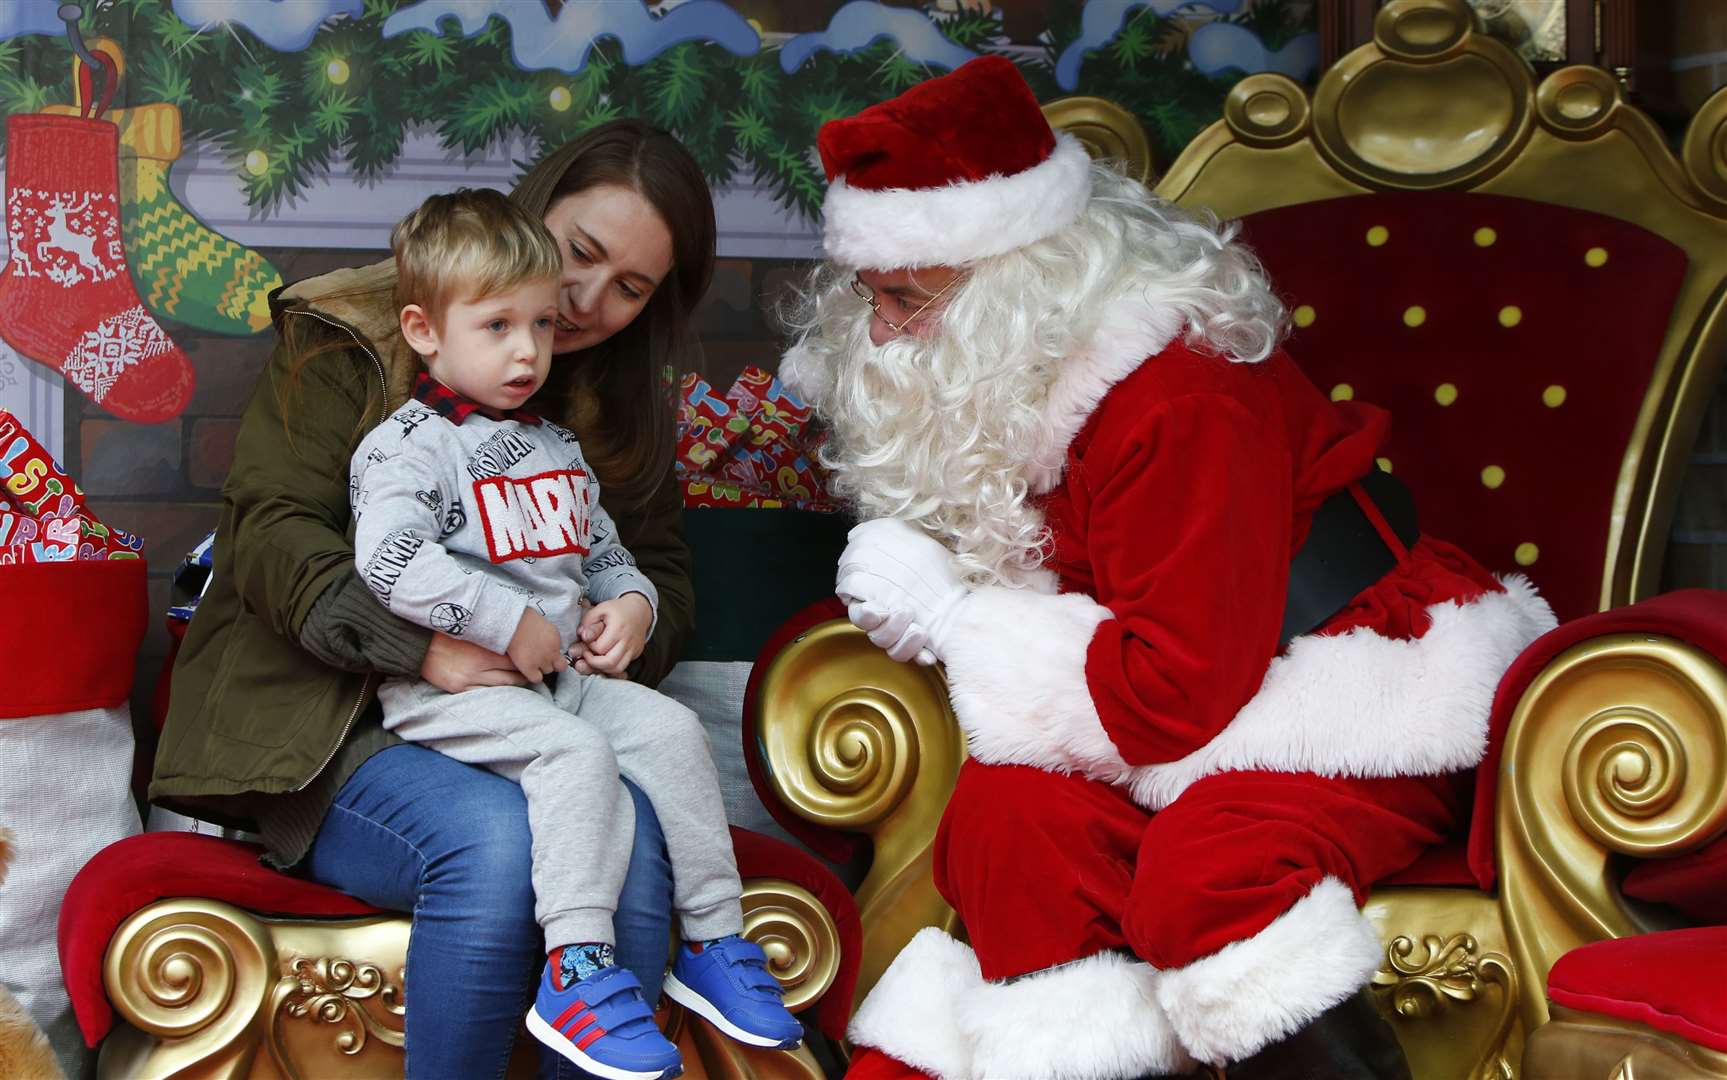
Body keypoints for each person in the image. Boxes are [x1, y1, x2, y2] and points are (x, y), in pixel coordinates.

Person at [779, 57, 1557, 1080]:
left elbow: (1176, 689)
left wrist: (956, 621)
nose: (880, 335)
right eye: (871, 298)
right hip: (1186, 701)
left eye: (907, 300)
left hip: (1345, 697)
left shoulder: (1173, 400)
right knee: (1010, 822)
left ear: (1019, 285)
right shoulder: (1014, 384)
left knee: (1209, 872)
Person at [152, 121, 716, 1079]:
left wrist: (632, 619)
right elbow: (274, 537)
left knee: (637, 834)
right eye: (580, 253)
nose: (583, 301)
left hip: (541, 713)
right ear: (538, 209)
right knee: (496, 845)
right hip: (335, 724)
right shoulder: (353, 334)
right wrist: (422, 651)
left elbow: (656, 571)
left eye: (630, 287)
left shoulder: (616, 399)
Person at [348, 188, 799, 1079]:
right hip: (452, 693)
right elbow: (388, 561)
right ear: (424, 330)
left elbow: (604, 552)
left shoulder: (556, 446)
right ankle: (578, 969)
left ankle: (713, 939)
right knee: (577, 760)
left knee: (669, 731)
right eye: (497, 327)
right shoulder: (406, 449)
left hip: (559, 681)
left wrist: (630, 604)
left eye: (544, 328)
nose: (528, 351)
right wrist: (503, 618)